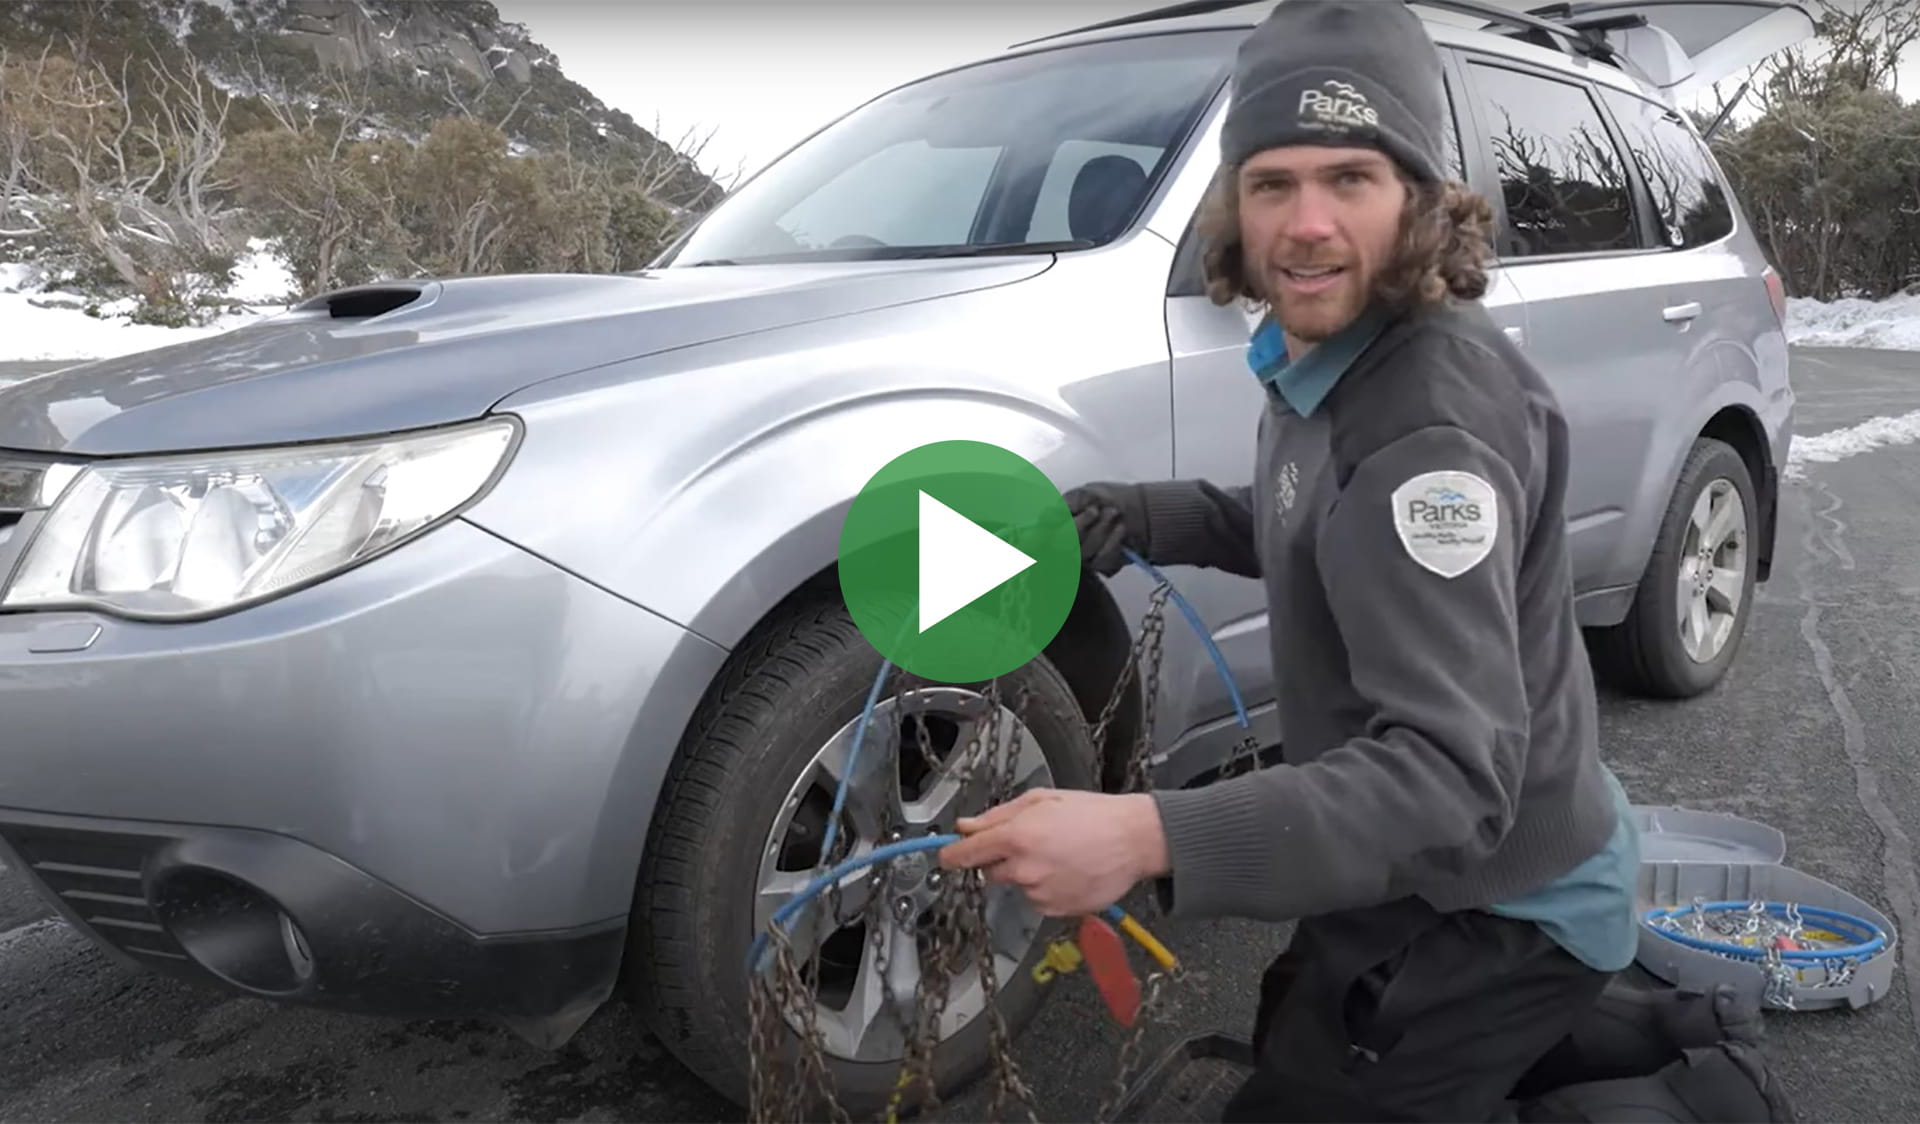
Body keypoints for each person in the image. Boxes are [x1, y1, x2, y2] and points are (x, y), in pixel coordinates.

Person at [938, 3, 1792, 1121]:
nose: (1307, 223)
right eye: (1272, 181)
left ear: (1420, 203)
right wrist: (1157, 514)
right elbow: (1330, 528)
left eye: (1351, 178)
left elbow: (1448, 778)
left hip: (1504, 902)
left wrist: (1145, 833)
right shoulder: (1335, 360)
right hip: (1436, 862)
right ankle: (1627, 1035)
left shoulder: (1427, 430)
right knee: (1301, 1017)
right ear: (1234, 210)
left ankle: (1660, 1070)